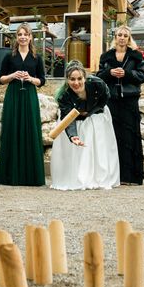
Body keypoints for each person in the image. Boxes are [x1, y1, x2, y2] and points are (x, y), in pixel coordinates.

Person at [50, 60, 120, 190]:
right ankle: (78, 176)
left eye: (79, 78)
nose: (76, 83)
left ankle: (100, 177)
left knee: (98, 147)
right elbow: (67, 118)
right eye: (72, 79)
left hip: (96, 117)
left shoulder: (97, 84)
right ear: (67, 80)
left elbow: (105, 97)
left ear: (85, 77)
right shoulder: (63, 96)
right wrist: (73, 136)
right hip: (74, 121)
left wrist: (90, 112)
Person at [96, 25, 144, 186]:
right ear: (115, 37)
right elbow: (99, 76)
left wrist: (127, 74)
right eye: (119, 34)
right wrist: (109, 73)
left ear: (129, 38)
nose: (122, 38)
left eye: (125, 35)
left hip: (129, 99)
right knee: (113, 136)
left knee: (131, 136)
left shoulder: (136, 56)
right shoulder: (106, 56)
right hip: (112, 99)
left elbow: (143, 75)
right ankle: (114, 175)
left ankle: (132, 176)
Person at [0, 23, 46, 186]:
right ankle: (10, 175)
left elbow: (42, 81)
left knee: (30, 130)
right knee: (13, 129)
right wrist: (13, 75)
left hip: (30, 96)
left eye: (26, 34)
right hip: (14, 96)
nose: (23, 37)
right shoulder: (9, 56)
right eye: (20, 34)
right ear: (16, 38)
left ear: (31, 37)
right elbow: (1, 79)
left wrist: (31, 79)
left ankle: (31, 176)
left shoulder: (36, 58)